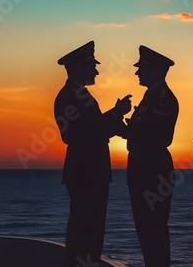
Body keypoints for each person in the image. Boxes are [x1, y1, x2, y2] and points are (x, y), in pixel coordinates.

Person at [54, 41, 132, 267]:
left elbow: (94, 127)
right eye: (91, 66)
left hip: (90, 171)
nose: (96, 71)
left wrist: (117, 121)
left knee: (91, 228)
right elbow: (86, 130)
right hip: (86, 171)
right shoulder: (70, 96)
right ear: (78, 67)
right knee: (85, 228)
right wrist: (117, 113)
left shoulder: (78, 95)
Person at [120, 45, 179, 267]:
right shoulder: (151, 97)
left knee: (153, 229)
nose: (137, 73)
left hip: (152, 171)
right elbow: (143, 131)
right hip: (144, 169)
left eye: (141, 69)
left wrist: (121, 127)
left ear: (155, 70)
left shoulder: (162, 98)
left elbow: (154, 135)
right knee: (145, 229)